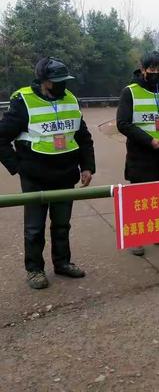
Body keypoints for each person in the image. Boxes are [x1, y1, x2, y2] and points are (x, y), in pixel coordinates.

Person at [0, 57, 95, 289]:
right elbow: (1, 137)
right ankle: (34, 270)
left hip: (65, 174)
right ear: (43, 81)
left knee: (62, 225)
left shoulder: (70, 99)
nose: (62, 84)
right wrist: (17, 167)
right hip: (35, 178)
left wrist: (87, 167)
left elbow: (82, 136)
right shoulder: (24, 102)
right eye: (57, 80)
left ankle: (62, 263)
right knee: (34, 228)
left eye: (64, 79)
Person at [116, 51, 159, 256]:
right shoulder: (130, 92)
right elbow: (123, 123)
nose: (155, 72)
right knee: (139, 197)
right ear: (143, 69)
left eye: (158, 68)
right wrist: (149, 141)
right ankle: (136, 238)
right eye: (151, 68)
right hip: (140, 153)